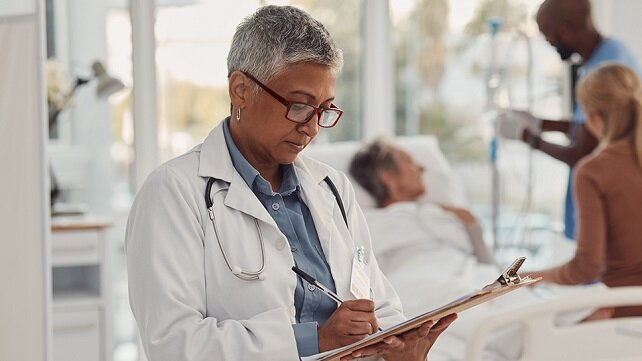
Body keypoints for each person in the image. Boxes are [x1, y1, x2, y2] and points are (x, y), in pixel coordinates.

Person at [125, 5, 455, 361]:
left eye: (324, 110)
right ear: (240, 90)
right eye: (299, 106)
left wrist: (400, 351)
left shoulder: (333, 188)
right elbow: (172, 343)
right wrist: (313, 340)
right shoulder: (173, 192)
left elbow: (380, 306)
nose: (312, 127)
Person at [506, 0, 640, 240]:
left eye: (548, 35)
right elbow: (586, 127)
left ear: (566, 29)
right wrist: (539, 122)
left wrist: (527, 137)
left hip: (610, 215)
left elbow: (582, 151)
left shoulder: (607, 67)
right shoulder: (602, 58)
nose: (547, 43)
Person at [528, 63, 642, 318]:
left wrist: (533, 276)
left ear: (596, 118)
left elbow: (585, 268)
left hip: (625, 313)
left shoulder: (593, 171)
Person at [349, 138, 496, 266]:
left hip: (475, 286)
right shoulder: (369, 224)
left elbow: (488, 268)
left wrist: (472, 224)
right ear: (388, 178)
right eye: (410, 162)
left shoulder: (446, 215)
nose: (422, 168)